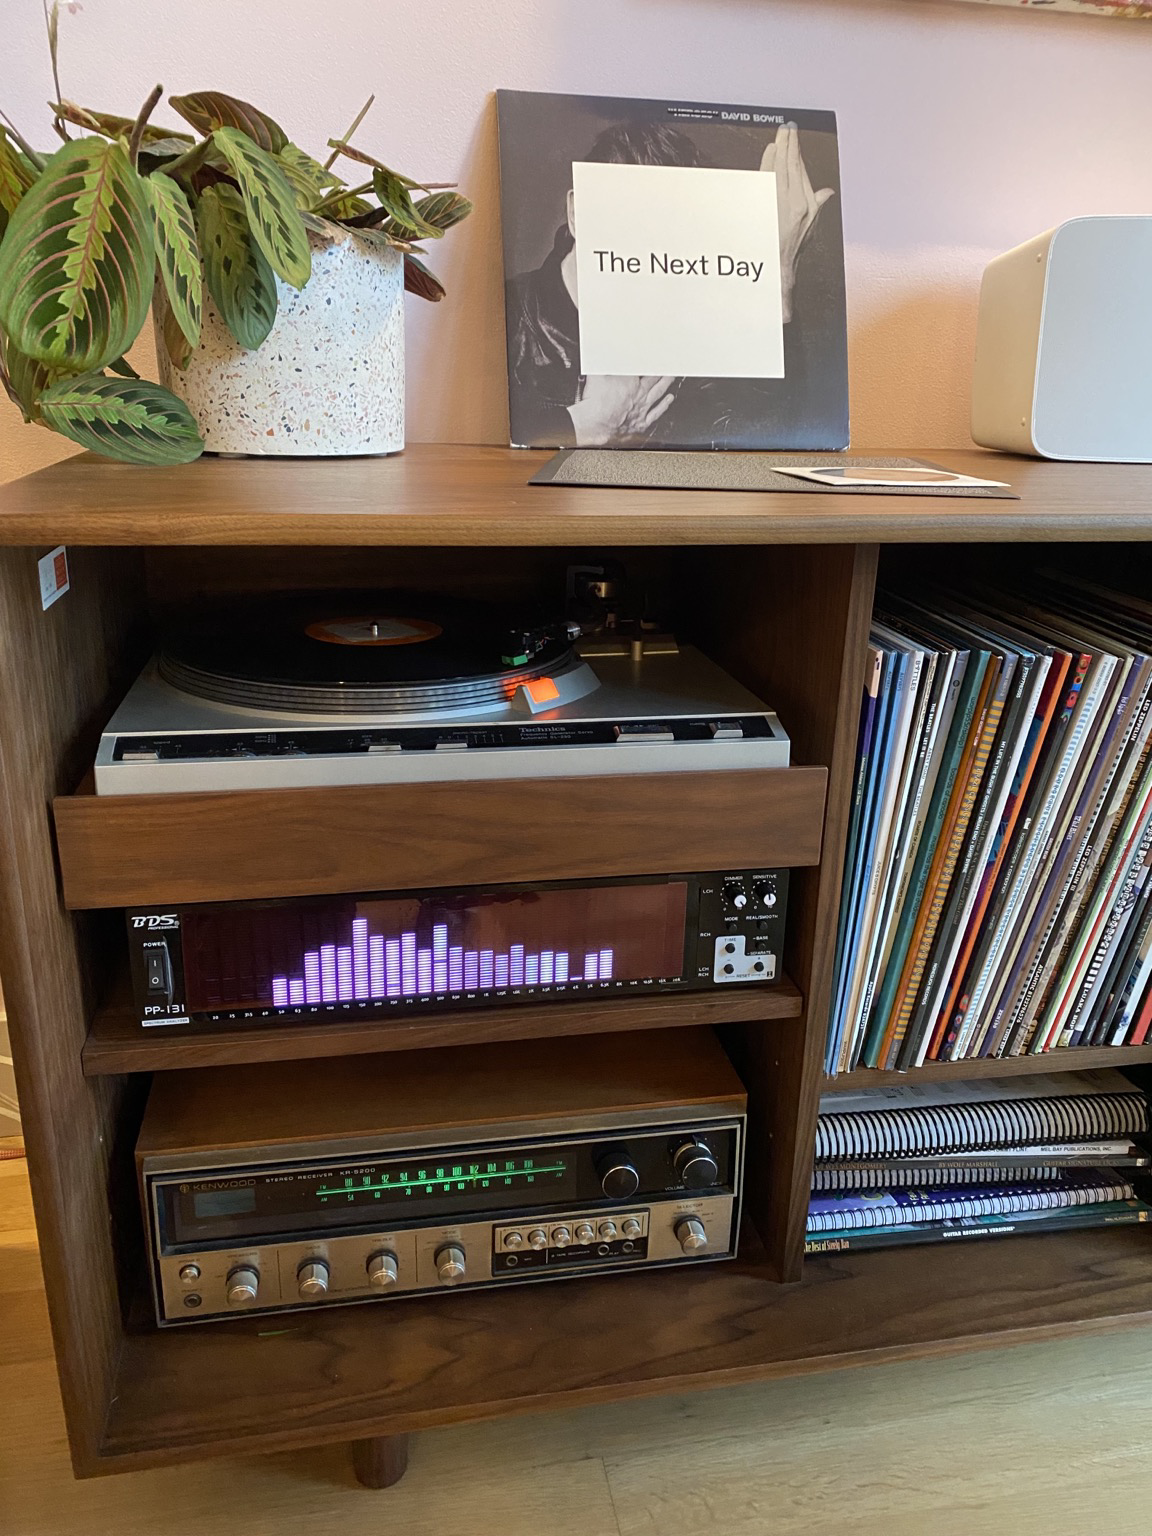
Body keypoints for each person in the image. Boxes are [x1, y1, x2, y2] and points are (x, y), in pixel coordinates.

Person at [504, 119, 837, 449]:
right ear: (577, 213)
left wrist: (775, 277)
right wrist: (585, 427)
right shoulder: (507, 316)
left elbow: (769, 449)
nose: (651, 259)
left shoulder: (699, 325)